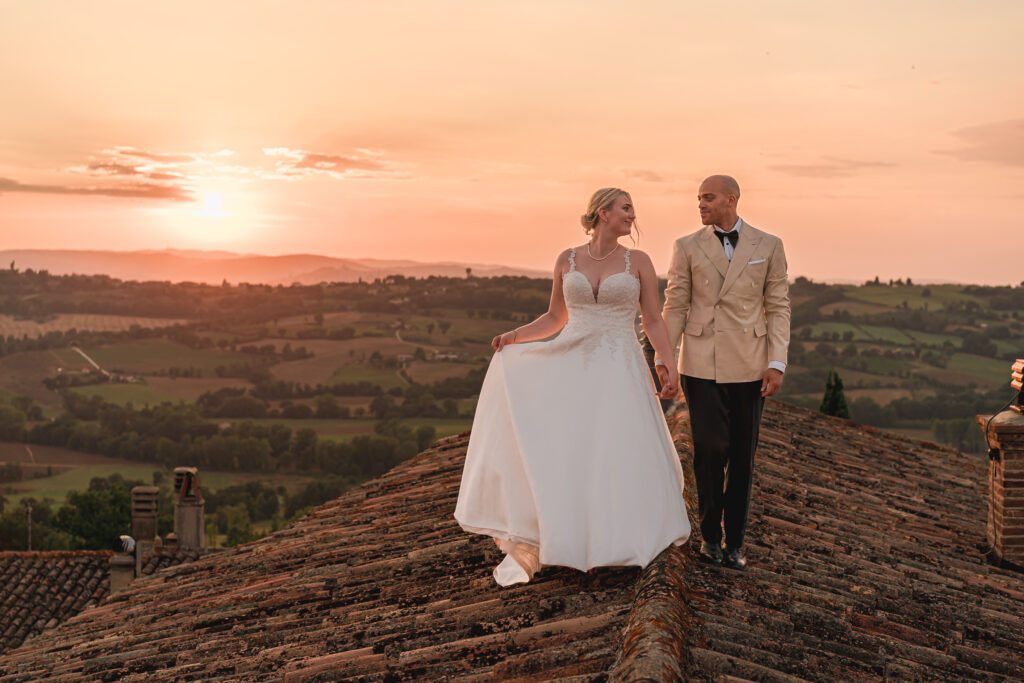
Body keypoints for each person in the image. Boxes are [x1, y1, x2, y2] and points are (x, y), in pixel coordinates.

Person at [454, 188, 691, 586]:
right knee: (574, 449)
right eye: (626, 208)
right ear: (603, 212)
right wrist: (515, 336)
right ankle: (570, 537)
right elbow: (553, 317)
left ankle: (617, 540)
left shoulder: (640, 262)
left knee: (616, 448)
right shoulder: (567, 259)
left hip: (620, 366)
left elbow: (652, 319)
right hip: (573, 362)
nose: (633, 216)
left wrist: (666, 361)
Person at [659, 175, 790, 570]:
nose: (700, 204)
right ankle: (709, 538)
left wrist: (776, 361)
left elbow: (778, 305)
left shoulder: (768, 245)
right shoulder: (686, 246)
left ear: (731, 199)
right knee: (709, 451)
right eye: (698, 198)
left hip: (751, 364)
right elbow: (675, 304)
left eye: (708, 198)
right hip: (701, 363)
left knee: (742, 458)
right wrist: (665, 358)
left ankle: (735, 542)